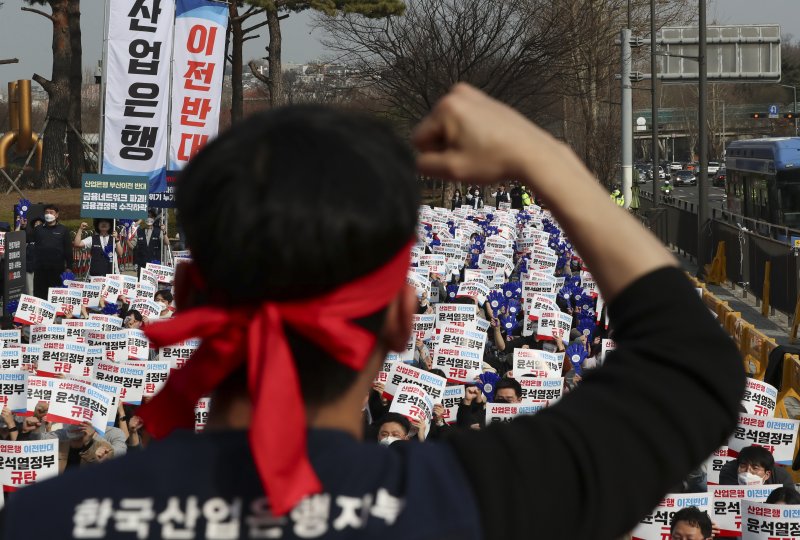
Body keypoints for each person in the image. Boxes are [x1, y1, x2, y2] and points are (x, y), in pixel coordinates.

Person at [2, 84, 744, 539]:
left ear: (192, 302)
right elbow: (692, 367)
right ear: (400, 318)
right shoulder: (466, 505)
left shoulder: (37, 522)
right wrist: (543, 162)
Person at [22, 204, 72, 300]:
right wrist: (23, 227)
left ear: (57, 215)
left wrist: (69, 266)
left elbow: (68, 249)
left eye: (51, 212)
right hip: (40, 268)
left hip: (57, 268)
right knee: (40, 294)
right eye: (46, 212)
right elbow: (27, 239)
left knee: (55, 294)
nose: (49, 214)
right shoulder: (38, 229)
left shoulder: (63, 230)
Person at [719, 444, 795, 488]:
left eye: (755, 468)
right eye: (743, 466)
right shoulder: (728, 470)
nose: (747, 472)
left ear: (767, 474)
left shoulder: (782, 477)